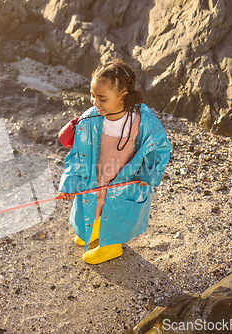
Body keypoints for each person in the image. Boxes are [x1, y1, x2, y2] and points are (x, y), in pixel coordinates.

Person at [58, 58, 172, 264]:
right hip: (97, 174)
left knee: (116, 210)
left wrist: (149, 174)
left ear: (123, 96)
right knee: (94, 203)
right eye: (92, 96)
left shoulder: (143, 120)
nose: (95, 103)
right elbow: (77, 154)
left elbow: (160, 148)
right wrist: (70, 184)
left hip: (124, 179)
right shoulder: (89, 119)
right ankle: (95, 230)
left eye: (102, 98)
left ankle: (111, 246)